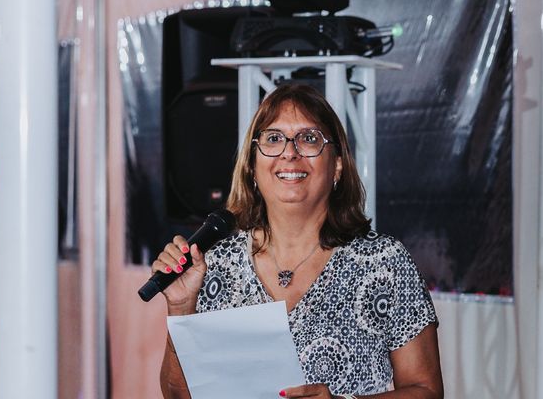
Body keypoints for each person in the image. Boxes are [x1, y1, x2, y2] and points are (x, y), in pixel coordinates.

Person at [154, 84, 443, 399]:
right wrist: (181, 308)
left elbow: (426, 390)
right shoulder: (214, 264)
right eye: (274, 139)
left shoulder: (384, 261)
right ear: (252, 166)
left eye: (309, 139)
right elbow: (179, 397)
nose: (289, 153)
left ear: (337, 165)